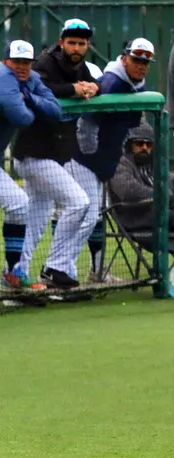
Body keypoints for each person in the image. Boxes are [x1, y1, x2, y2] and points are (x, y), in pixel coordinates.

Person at [0, 40, 61, 293]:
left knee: (19, 204)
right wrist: (31, 103)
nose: (21, 67)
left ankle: (12, 274)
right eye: (17, 61)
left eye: (26, 62)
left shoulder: (29, 80)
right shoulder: (2, 78)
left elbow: (55, 110)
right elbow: (24, 118)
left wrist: (28, 97)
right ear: (6, 61)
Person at [11, 18, 98, 290]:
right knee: (78, 202)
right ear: (62, 42)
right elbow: (38, 88)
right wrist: (75, 89)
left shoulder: (80, 65)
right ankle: (56, 267)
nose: (76, 47)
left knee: (36, 218)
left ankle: (17, 272)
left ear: (87, 46)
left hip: (51, 155)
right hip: (34, 153)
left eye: (81, 43)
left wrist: (93, 87)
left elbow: (97, 85)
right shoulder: (45, 63)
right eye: (71, 42)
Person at [68, 39, 154, 284]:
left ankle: (89, 270)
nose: (141, 66)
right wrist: (94, 157)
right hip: (82, 159)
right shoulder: (112, 82)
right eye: (137, 60)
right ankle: (59, 269)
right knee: (84, 213)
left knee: (90, 215)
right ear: (125, 58)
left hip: (99, 161)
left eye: (145, 62)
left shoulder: (136, 84)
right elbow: (86, 124)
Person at [107, 122, 174, 271]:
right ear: (130, 144)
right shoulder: (120, 163)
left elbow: (170, 179)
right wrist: (164, 196)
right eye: (139, 143)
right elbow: (128, 191)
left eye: (148, 144)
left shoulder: (153, 164)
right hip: (133, 216)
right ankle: (163, 278)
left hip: (158, 214)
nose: (144, 148)